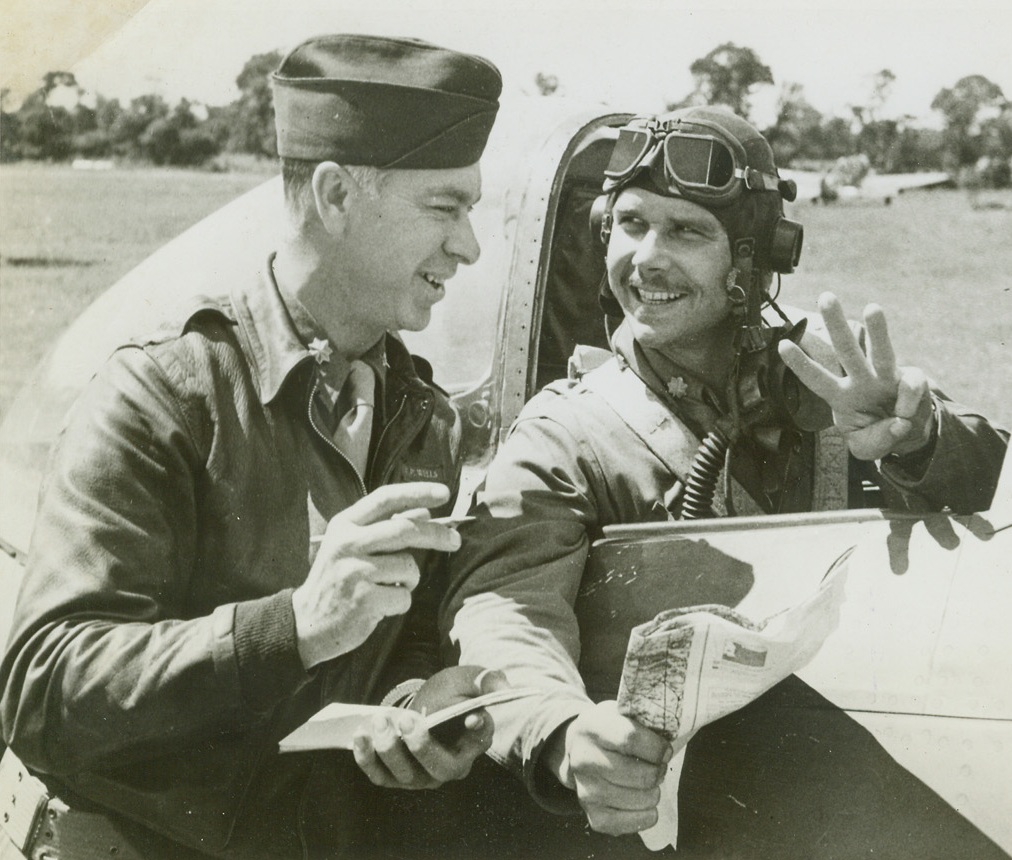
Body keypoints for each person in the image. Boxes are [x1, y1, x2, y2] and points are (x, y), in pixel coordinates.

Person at [441, 106, 1009, 857]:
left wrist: (917, 442)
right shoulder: (567, 432)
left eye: (686, 232)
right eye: (631, 223)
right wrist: (560, 729)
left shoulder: (833, 379)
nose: (645, 258)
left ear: (753, 259)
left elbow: (992, 504)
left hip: (853, 798)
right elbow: (506, 610)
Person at [0, 34, 505, 860]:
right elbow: (45, 690)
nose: (469, 245)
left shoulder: (424, 416)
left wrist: (416, 703)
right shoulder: (162, 393)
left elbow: (402, 632)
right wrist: (297, 625)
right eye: (444, 208)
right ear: (337, 195)